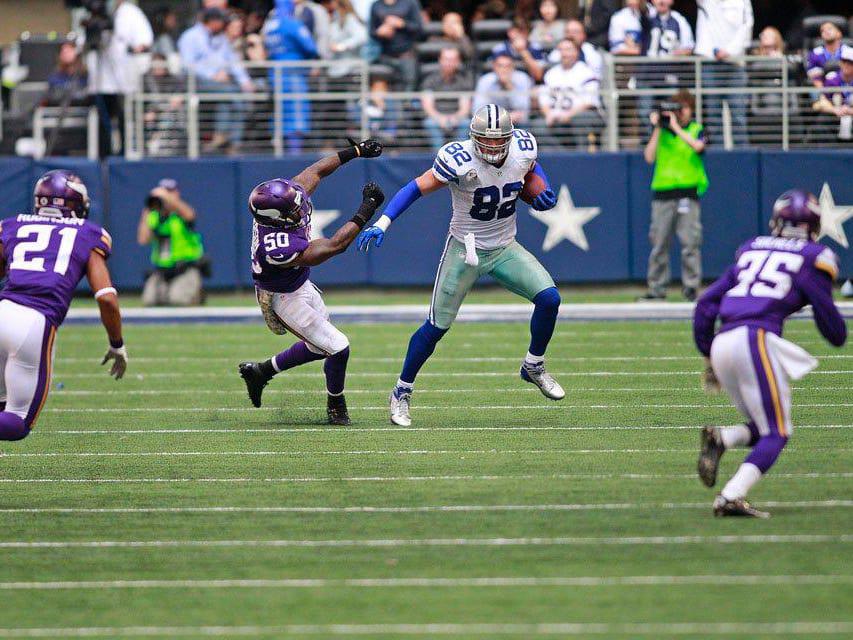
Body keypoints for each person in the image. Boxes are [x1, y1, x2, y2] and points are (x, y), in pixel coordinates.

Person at [355, 104, 563, 427]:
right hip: (465, 250)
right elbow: (416, 187)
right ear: (473, 137)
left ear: (509, 138)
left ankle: (533, 364)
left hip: (506, 247)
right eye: (486, 140)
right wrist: (383, 223)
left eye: (499, 141)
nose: (493, 147)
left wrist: (543, 188)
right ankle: (401, 391)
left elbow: (532, 169)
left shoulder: (523, 148)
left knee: (550, 299)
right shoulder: (458, 158)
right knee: (435, 328)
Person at [694, 189, 847, 518]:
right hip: (755, 340)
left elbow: (706, 303)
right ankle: (731, 495)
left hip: (724, 339)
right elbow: (835, 333)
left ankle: (722, 438)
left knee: (763, 425)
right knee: (778, 431)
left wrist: (708, 353)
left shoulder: (752, 247)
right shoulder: (813, 256)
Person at [238, 138, 384, 426]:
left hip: (298, 283)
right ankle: (335, 405)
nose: (301, 209)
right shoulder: (276, 245)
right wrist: (366, 209)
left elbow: (316, 171)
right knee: (338, 346)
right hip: (281, 297)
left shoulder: (281, 202)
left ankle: (261, 371)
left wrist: (355, 152)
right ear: (276, 218)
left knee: (321, 346)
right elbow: (333, 247)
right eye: (293, 211)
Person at [0, 170, 127, 441]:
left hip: (4, 309)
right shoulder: (89, 233)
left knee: (2, 405)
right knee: (17, 423)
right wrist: (117, 343)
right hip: (34, 322)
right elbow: (106, 296)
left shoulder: (11, 225)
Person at [641, 90, 709, 302]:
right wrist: (658, 129)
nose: (679, 112)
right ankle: (657, 288)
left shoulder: (697, 129)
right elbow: (649, 157)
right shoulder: (661, 132)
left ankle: (691, 288)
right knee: (659, 244)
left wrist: (676, 127)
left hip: (688, 194)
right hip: (663, 194)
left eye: (683, 108)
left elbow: (698, 146)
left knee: (690, 244)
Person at [179, 8, 256, 153]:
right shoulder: (190, 36)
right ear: (213, 21)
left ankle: (228, 141)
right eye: (222, 21)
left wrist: (245, 81)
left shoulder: (219, 38)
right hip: (196, 81)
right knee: (234, 93)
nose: (224, 25)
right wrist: (212, 74)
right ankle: (232, 139)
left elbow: (232, 61)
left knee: (229, 98)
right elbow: (187, 65)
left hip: (219, 83)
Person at [85, 0, 153, 157]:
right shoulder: (96, 16)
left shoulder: (130, 13)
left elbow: (144, 42)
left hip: (124, 82)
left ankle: (123, 156)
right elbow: (87, 46)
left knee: (125, 121)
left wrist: (135, 52)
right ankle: (102, 157)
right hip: (100, 82)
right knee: (101, 124)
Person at [137, 179, 205, 306]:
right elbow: (143, 239)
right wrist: (149, 206)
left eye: (169, 192)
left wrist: (167, 197)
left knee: (178, 300)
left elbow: (190, 215)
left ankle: (197, 292)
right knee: (150, 301)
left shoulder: (181, 214)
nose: (165, 196)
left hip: (184, 269)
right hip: (162, 271)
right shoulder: (154, 217)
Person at [694, 0, 754, 147]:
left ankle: (743, 156)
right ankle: (717, 154)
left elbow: (747, 26)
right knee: (713, 114)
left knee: (738, 115)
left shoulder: (743, 2)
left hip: (735, 63)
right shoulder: (706, 3)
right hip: (710, 63)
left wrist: (730, 51)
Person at [264, 0, 319, 155]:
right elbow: (310, 46)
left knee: (279, 114)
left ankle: (280, 151)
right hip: (294, 74)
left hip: (275, 74)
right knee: (296, 115)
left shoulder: (269, 26)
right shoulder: (292, 24)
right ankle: (295, 152)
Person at [635, 0, 694, 127]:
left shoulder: (679, 20)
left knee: (671, 112)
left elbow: (688, 47)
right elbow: (641, 9)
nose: (661, 1)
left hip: (669, 76)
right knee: (645, 112)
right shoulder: (648, 16)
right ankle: (651, 143)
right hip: (647, 76)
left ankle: (667, 143)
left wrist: (677, 54)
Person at [537, 39, 604, 150]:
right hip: (556, 115)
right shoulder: (551, 73)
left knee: (579, 121)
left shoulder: (586, 72)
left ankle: (581, 157)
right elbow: (543, 99)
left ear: (576, 52)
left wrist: (569, 115)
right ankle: (559, 158)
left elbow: (589, 102)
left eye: (568, 49)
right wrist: (548, 114)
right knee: (538, 125)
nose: (564, 53)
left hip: (583, 115)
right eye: (561, 50)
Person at [421, 47, 473, 149]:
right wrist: (439, 118)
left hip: (458, 118)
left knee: (466, 122)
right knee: (429, 123)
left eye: (453, 60)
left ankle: (460, 153)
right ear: (440, 60)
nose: (449, 63)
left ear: (458, 62)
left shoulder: (464, 81)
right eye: (446, 59)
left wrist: (456, 118)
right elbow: (428, 106)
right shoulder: (430, 80)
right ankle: (438, 155)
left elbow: (465, 108)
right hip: (435, 117)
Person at [370, 0, 424, 91]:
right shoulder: (376, 5)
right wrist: (380, 32)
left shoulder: (410, 3)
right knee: (380, 88)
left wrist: (402, 24)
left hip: (407, 55)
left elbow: (419, 29)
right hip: (385, 56)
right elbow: (371, 32)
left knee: (409, 88)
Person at [472, 54, 534, 126]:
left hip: (516, 123)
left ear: (513, 67)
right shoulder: (485, 80)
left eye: (508, 66)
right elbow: (477, 110)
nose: (504, 70)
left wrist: (509, 86)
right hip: (491, 123)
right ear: (494, 67)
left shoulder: (522, 78)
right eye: (500, 66)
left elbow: (524, 111)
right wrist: (502, 119)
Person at [813, 46, 853, 140]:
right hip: (834, 115)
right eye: (844, 61)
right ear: (840, 63)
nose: (846, 65)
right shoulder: (831, 79)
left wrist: (850, 111)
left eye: (850, 63)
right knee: (821, 122)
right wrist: (835, 110)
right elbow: (820, 103)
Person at [43, 41, 88, 107]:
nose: (65, 53)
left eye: (68, 51)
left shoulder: (84, 75)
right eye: (63, 51)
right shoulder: (55, 77)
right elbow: (52, 96)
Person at [806, 21, 846, 88]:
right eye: (822, 31)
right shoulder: (815, 53)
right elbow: (815, 78)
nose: (826, 31)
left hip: (847, 88)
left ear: (839, 33)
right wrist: (825, 94)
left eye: (830, 29)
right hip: (823, 88)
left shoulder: (849, 52)